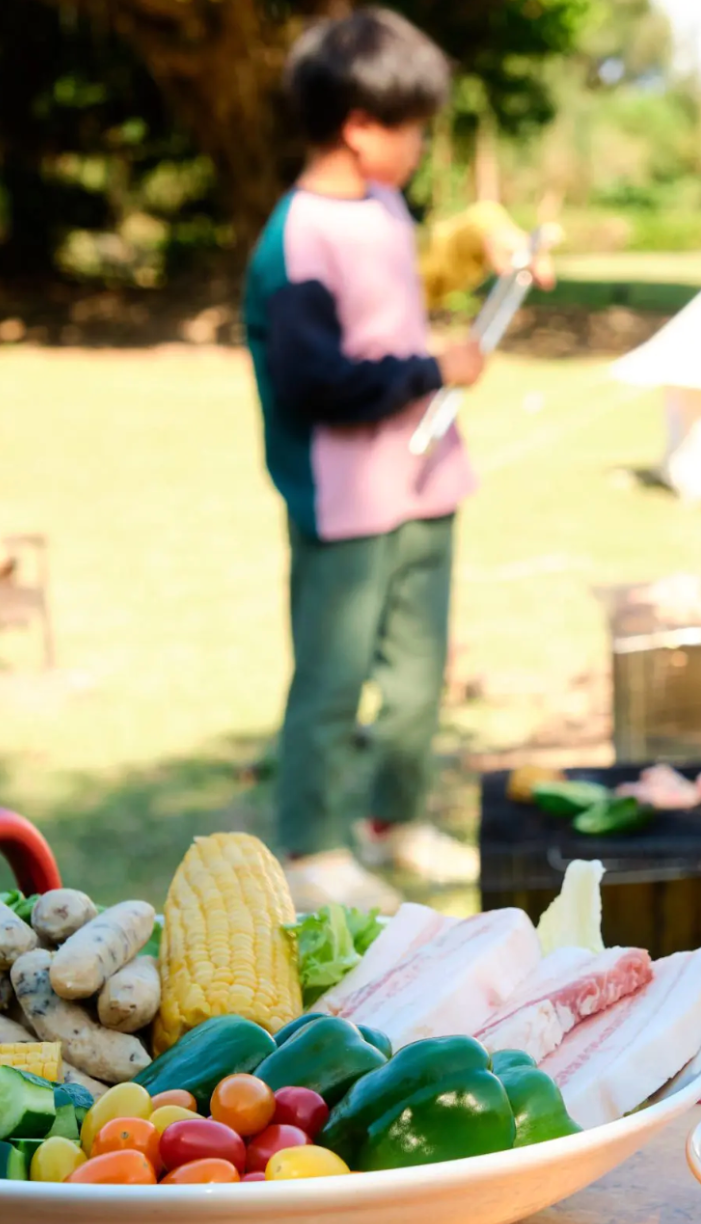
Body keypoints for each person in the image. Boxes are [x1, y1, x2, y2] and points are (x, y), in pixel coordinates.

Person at [244, 9, 536, 911]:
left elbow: (404, 284)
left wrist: (489, 248)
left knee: (417, 674)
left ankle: (395, 819)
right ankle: (313, 845)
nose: (419, 144)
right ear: (359, 125)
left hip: (426, 481)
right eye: (410, 127)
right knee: (334, 679)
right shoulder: (294, 241)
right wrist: (432, 367)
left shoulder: (380, 204)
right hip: (345, 498)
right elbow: (315, 383)